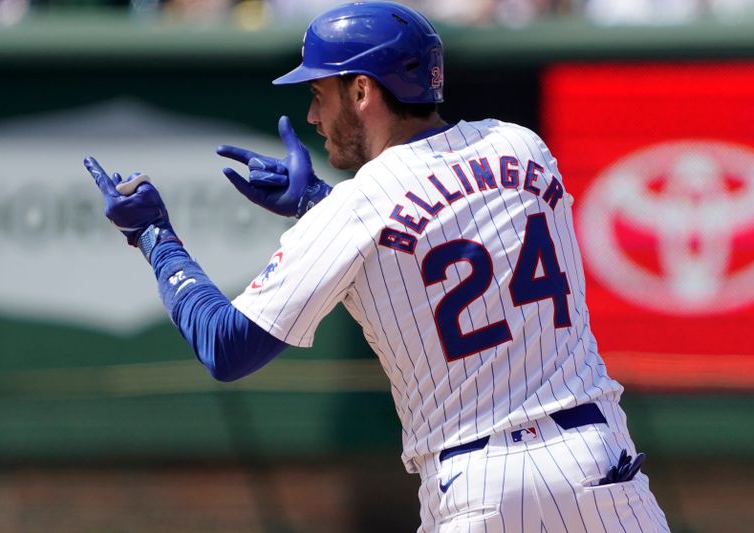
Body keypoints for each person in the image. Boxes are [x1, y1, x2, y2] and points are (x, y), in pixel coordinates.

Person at [85, 2, 670, 531]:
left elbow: (225, 347)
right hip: (598, 463)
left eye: (319, 94)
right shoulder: (522, 147)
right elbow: (452, 229)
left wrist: (154, 236)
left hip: (479, 490)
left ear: (362, 90)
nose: (313, 116)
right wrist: (317, 202)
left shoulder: (357, 207)